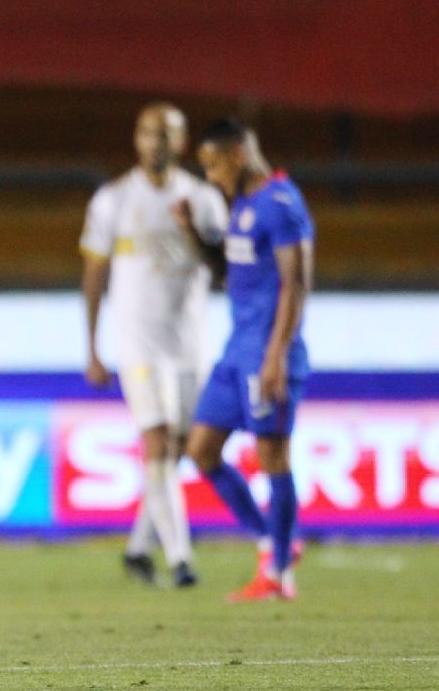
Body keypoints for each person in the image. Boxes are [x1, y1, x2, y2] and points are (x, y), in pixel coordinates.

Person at [81, 103, 227, 589]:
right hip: (139, 345)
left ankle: (139, 548)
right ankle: (182, 558)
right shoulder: (114, 199)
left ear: (181, 143)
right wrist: (93, 347)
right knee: (159, 443)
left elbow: (222, 270)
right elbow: (94, 273)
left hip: (189, 345)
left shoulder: (203, 198)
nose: (156, 142)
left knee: (177, 450)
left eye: (166, 134)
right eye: (148, 133)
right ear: (137, 140)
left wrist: (189, 229)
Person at [175, 118, 314, 602]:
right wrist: (192, 231)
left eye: (212, 166)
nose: (211, 177)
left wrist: (275, 356)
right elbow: (228, 276)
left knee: (272, 457)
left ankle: (277, 573)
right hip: (237, 351)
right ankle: (272, 540)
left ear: (236, 155)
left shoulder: (281, 205)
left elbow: (296, 284)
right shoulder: (244, 208)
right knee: (201, 449)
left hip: (268, 352)